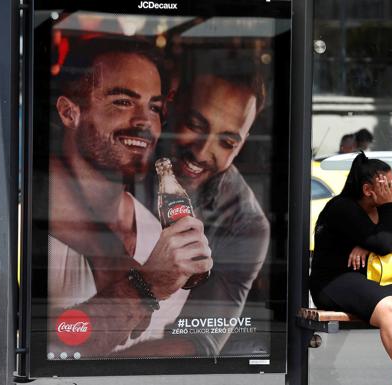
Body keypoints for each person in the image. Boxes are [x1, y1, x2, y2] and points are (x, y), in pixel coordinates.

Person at [47, 37, 211, 358]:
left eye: (154, 107)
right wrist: (142, 287)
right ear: (69, 112)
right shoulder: (31, 232)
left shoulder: (162, 240)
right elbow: (58, 349)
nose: (144, 121)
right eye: (123, 101)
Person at [151, 68, 270, 355]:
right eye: (195, 124)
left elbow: (199, 342)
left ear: (242, 144)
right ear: (171, 104)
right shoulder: (127, 153)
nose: (203, 152)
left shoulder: (245, 222)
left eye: (227, 142)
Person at [309, 152, 392, 385]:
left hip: (372, 281)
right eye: (388, 185)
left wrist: (369, 246)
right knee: (390, 308)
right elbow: (385, 243)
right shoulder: (342, 207)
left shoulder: (386, 207)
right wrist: (376, 241)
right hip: (334, 281)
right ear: (369, 190)